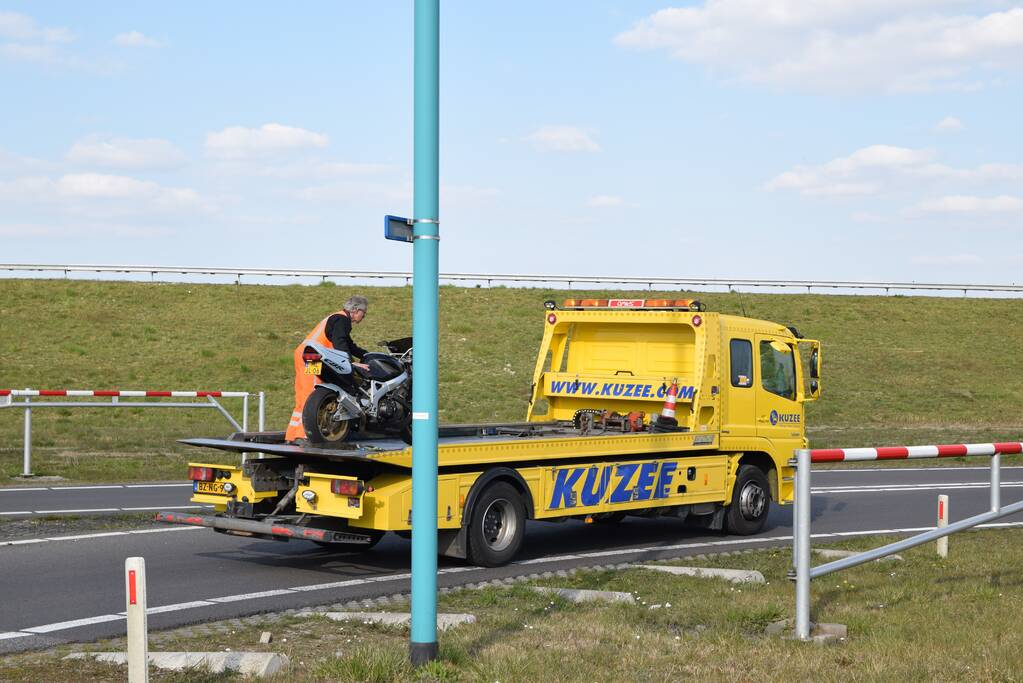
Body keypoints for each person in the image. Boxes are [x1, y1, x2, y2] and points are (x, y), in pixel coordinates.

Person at [285, 295, 370, 442]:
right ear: (356, 310)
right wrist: (350, 363)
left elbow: (349, 346)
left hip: (304, 353)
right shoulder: (342, 320)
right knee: (311, 395)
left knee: (302, 397)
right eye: (364, 312)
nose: (364, 316)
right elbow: (340, 343)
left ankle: (291, 436)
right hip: (312, 356)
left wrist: (368, 355)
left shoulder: (336, 318)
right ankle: (303, 436)